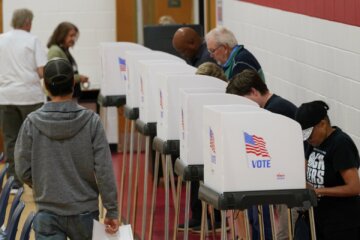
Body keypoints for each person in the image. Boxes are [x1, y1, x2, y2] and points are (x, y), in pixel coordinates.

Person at [14, 58, 119, 239]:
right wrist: (112, 209)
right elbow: (104, 171)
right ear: (73, 83)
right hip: (85, 210)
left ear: (45, 86)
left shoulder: (31, 122)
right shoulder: (92, 122)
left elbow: (22, 170)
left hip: (47, 210)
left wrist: (42, 183)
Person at [227, 69, 298, 240]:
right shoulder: (274, 106)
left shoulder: (274, 110)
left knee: (284, 234)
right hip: (285, 177)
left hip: (291, 179)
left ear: (253, 91)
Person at [295, 100, 360, 240]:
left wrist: (319, 191)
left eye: (310, 135)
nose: (308, 140)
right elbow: (304, 170)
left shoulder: (341, 144)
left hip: (342, 222)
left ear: (322, 124)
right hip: (318, 218)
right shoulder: (312, 143)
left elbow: (354, 187)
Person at [0, 8, 47, 193]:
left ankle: (14, 183)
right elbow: (42, 71)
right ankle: (36, 181)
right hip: (30, 97)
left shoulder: (1, 39)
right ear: (28, 22)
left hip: (6, 97)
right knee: (34, 139)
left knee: (11, 139)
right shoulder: (33, 40)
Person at [47, 22, 89, 98]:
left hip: (69, 96)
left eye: (75, 36)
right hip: (61, 97)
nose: (73, 39)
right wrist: (79, 78)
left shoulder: (64, 50)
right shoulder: (55, 51)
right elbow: (57, 77)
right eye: (71, 35)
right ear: (62, 35)